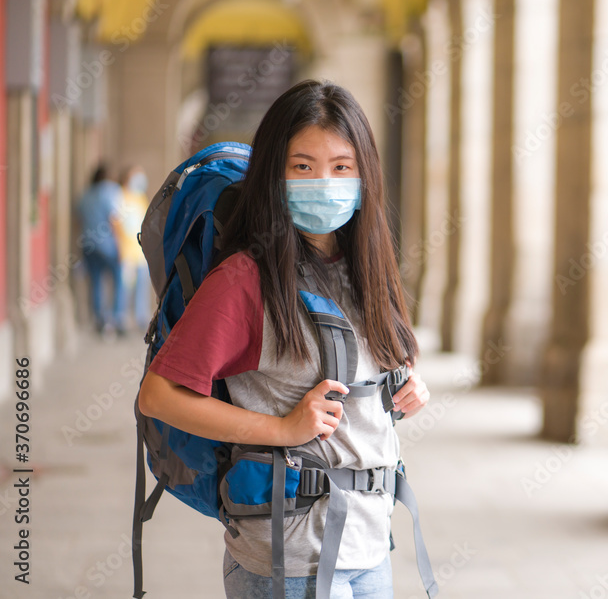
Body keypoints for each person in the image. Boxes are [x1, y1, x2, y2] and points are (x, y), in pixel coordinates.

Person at [136, 80, 430, 599]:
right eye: (303, 166)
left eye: (342, 166)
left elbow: (368, 368)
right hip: (290, 559)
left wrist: (407, 386)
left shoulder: (368, 269)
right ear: (275, 175)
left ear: (365, 175)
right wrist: (282, 427)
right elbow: (158, 396)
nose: (325, 181)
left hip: (369, 547)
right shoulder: (245, 279)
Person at [76, 163, 126, 336]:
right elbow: (115, 220)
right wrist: (121, 246)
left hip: (89, 245)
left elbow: (79, 218)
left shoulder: (85, 195)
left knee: (96, 282)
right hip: (109, 245)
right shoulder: (111, 190)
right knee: (119, 280)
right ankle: (117, 318)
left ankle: (100, 320)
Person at [117, 165, 152, 330]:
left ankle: (141, 318)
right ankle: (121, 320)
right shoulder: (120, 196)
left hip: (141, 252)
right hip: (126, 253)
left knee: (142, 288)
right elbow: (116, 223)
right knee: (124, 289)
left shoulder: (140, 198)